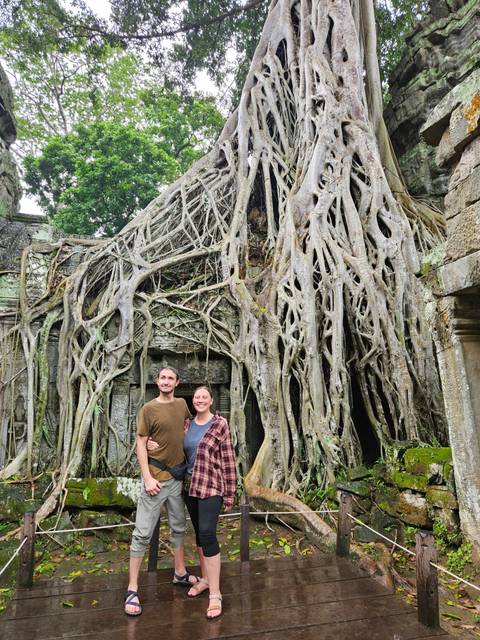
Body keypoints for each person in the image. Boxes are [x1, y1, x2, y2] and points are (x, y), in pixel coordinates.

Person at [124, 366, 199, 616]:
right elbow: (140, 442)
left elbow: (191, 426)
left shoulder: (181, 405)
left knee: (178, 528)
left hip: (177, 480)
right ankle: (132, 588)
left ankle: (179, 572)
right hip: (155, 482)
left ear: (177, 383)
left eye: (170, 378)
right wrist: (146, 478)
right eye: (162, 378)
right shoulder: (149, 409)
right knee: (142, 534)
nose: (166, 381)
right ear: (157, 381)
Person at [181, 385, 237, 619]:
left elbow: (228, 459)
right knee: (198, 535)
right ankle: (204, 579)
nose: (200, 400)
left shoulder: (219, 424)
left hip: (211, 486)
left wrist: (231, 491)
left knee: (207, 533)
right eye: (196, 397)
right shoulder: (187, 424)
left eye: (205, 396)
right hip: (190, 487)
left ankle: (215, 593)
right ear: (192, 401)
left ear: (211, 400)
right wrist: (149, 444)